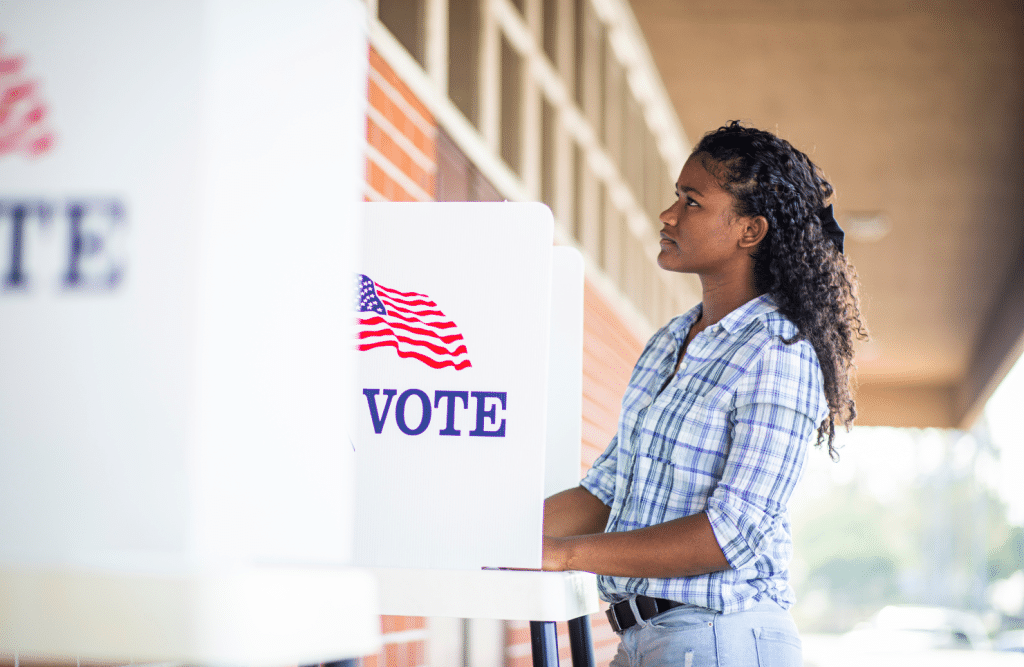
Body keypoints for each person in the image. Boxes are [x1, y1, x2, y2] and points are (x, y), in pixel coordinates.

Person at [542, 121, 868, 666]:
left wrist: (564, 555)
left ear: (750, 231)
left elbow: (729, 535)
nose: (668, 216)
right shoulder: (669, 342)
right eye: (676, 197)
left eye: (691, 202)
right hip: (645, 638)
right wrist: (493, 537)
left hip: (721, 638)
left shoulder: (779, 353)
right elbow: (605, 491)